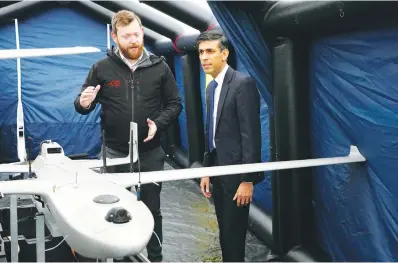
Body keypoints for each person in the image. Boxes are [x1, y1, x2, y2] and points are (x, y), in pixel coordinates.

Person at [74, 10, 182, 262]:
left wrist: (158, 123)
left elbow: (175, 104)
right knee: (114, 209)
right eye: (126, 36)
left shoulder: (160, 67)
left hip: (151, 153)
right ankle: (119, 256)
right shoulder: (101, 68)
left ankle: (156, 258)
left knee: (152, 209)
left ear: (142, 32)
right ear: (115, 37)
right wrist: (83, 102)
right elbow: (81, 105)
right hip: (114, 154)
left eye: (136, 34)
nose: (133, 40)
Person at [197, 28, 264, 262]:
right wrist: (207, 170)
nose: (204, 57)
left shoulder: (242, 84)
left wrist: (248, 179)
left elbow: (251, 136)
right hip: (217, 170)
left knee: (234, 234)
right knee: (225, 230)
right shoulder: (211, 88)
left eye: (210, 51)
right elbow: (211, 133)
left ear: (224, 54)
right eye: (201, 52)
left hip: (237, 175)